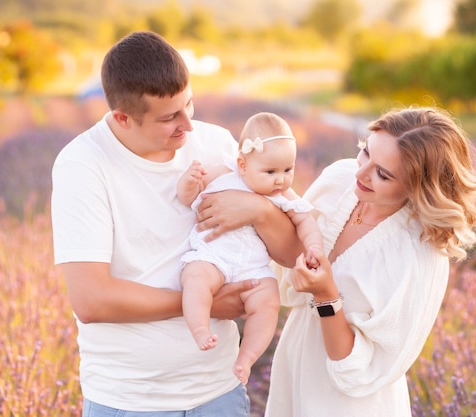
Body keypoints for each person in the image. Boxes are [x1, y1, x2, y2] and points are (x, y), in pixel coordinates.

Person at [51, 31, 301, 416]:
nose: (189, 125)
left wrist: (259, 211)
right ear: (122, 118)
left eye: (190, 105)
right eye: (170, 118)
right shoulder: (83, 165)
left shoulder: (218, 144)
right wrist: (208, 304)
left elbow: (290, 252)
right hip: (129, 400)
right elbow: (91, 300)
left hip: (219, 392)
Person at [263, 106, 476, 417]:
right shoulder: (339, 180)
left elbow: (359, 373)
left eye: (383, 174)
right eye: (365, 153)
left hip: (349, 404)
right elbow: (287, 284)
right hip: (294, 370)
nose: (361, 173)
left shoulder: (418, 255)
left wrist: (326, 295)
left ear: (417, 187)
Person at [177, 112, 323, 385]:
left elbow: (305, 221)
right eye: (270, 172)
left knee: (268, 303)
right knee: (195, 279)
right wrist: (190, 182)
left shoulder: (282, 195)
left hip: (252, 267)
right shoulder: (223, 173)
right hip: (213, 255)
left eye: (288, 170)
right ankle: (199, 329)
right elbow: (188, 199)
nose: (280, 180)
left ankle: (247, 357)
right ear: (242, 164)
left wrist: (314, 246)